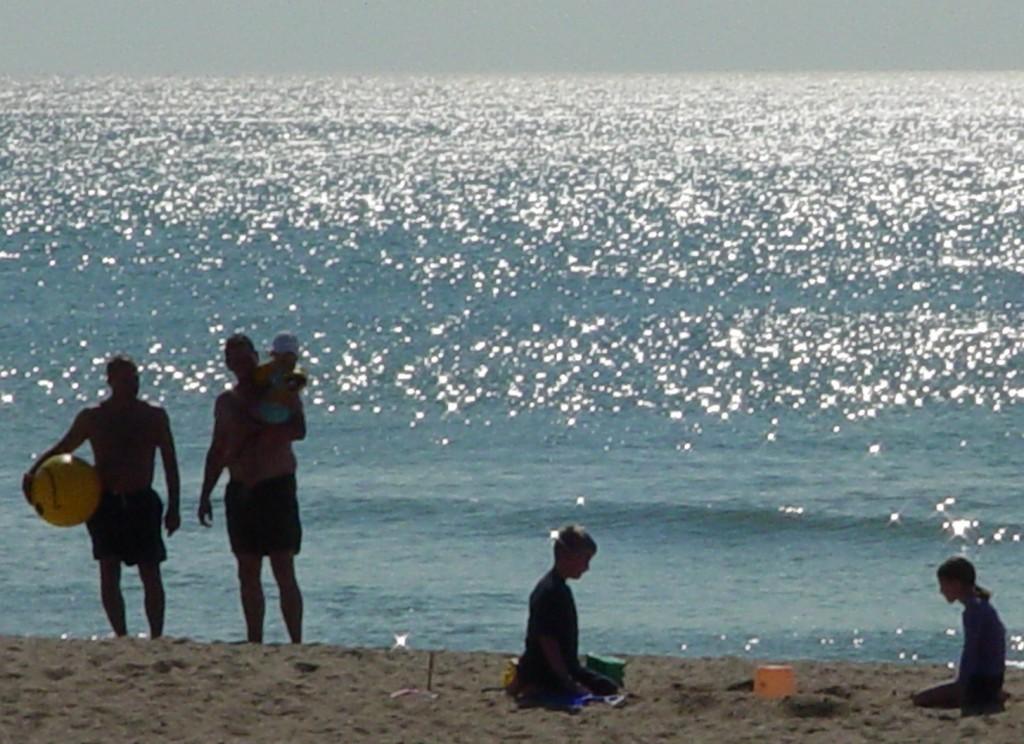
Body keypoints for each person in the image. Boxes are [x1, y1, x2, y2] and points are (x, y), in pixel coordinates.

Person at [21, 355, 180, 638]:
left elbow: (170, 460)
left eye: (134, 377)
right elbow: (65, 446)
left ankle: (157, 635)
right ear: (110, 380)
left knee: (150, 571)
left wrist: (174, 506)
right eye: (124, 378)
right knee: (109, 570)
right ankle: (121, 635)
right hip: (104, 502)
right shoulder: (93, 417)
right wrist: (33, 473)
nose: (131, 383)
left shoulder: (153, 415)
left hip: (142, 499)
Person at [198, 333, 306, 643]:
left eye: (246, 356)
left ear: (256, 357)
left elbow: (299, 429)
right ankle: (254, 639)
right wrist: (205, 494)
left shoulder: (279, 390)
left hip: (276, 485)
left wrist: (264, 424)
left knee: (283, 568)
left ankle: (296, 640)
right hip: (241, 488)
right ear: (228, 363)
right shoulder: (227, 402)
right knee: (247, 570)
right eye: (234, 358)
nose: (241, 363)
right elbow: (218, 448)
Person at [512, 525, 619, 699]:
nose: (587, 568)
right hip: (545, 669)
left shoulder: (559, 588)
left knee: (608, 685)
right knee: (604, 688)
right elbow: (547, 641)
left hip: (565, 666)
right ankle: (534, 686)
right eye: (584, 560)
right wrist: (567, 681)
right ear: (566, 556)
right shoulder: (550, 591)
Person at [912, 556, 1006, 716]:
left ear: (956, 584)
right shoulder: (982, 605)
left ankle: (981, 697)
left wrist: (961, 685)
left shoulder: (973, 611)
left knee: (920, 698)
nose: (941, 591)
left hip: (981, 682)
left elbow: (970, 651)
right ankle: (991, 695)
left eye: (943, 585)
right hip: (994, 679)